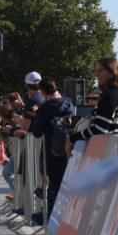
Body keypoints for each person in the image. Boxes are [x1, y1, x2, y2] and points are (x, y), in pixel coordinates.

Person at [29, 78, 76, 215]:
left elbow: (37, 132)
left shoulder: (46, 107)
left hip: (53, 150)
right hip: (71, 149)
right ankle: (67, 213)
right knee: (66, 181)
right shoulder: (68, 102)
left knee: (54, 182)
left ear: (43, 91)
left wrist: (37, 115)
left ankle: (50, 214)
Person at [68, 57, 118, 151]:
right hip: (116, 151)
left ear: (112, 72)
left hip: (107, 153)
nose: (97, 74)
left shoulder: (111, 96)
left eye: (101, 71)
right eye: (96, 71)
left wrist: (73, 138)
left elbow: (99, 129)